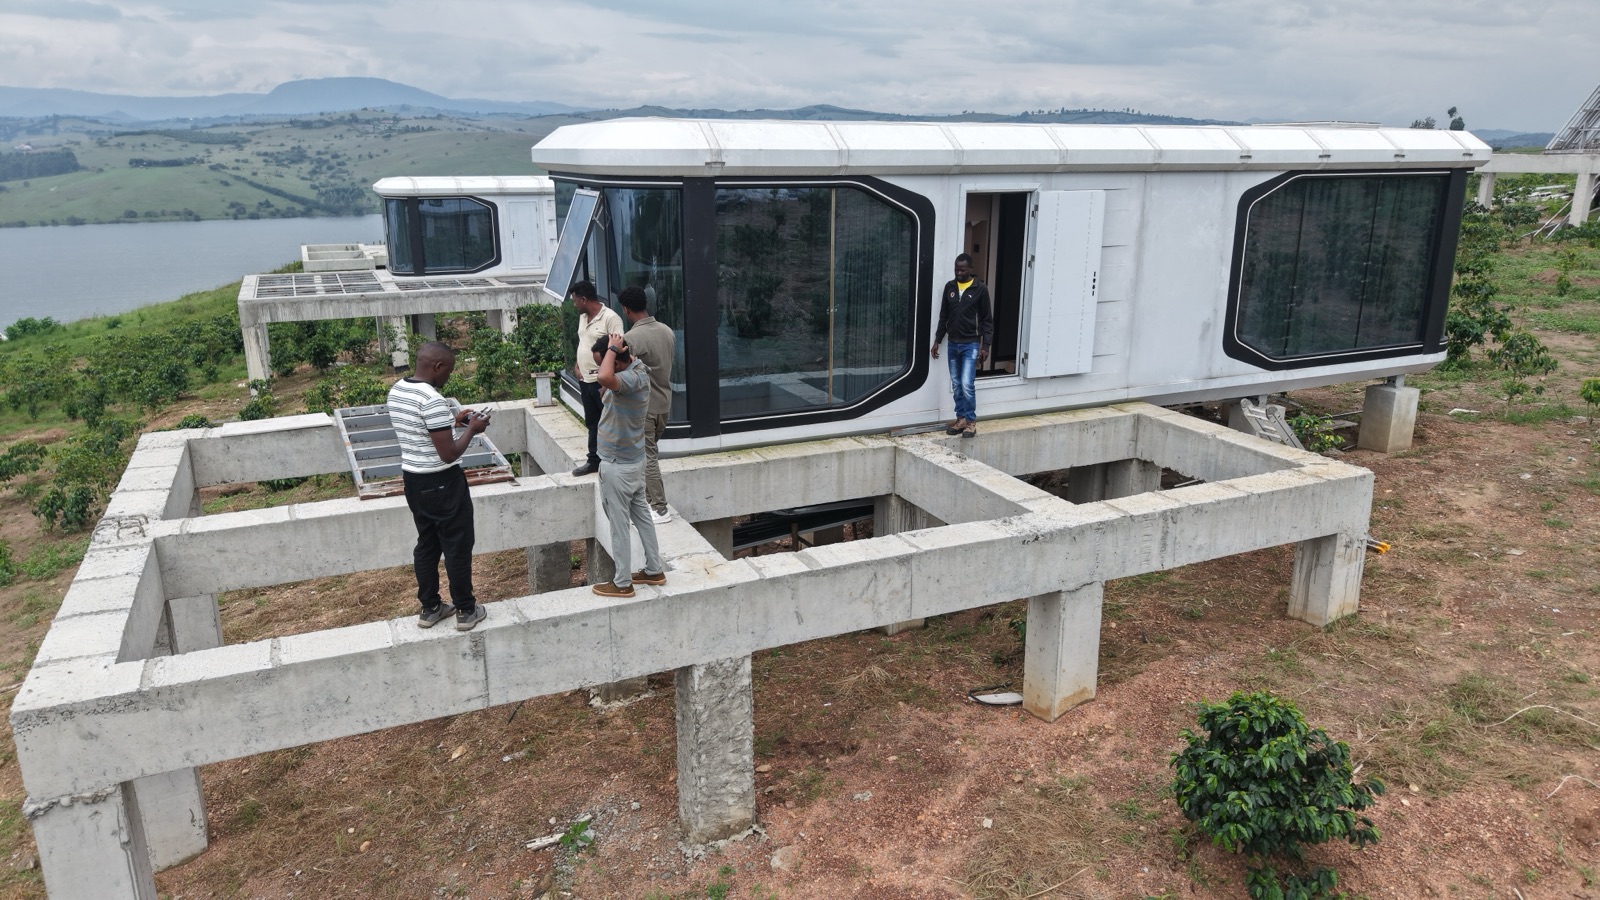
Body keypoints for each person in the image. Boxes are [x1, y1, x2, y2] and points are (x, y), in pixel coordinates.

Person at [386, 341, 489, 631]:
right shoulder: (432, 400)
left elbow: (422, 434)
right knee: (456, 546)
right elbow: (449, 454)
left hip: (414, 481)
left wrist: (453, 422)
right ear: (438, 367)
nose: (449, 378)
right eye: (449, 372)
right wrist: (472, 428)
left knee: (427, 544)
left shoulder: (398, 390)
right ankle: (467, 610)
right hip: (443, 483)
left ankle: (430, 607)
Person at [590, 333, 667, 598]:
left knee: (619, 525)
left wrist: (611, 349)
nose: (601, 370)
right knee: (642, 516)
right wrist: (612, 354)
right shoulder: (637, 371)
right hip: (633, 461)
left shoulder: (630, 379)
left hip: (617, 466)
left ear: (617, 363)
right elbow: (606, 381)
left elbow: (604, 377)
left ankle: (622, 582)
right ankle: (654, 569)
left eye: (606, 362)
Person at [619, 285, 675, 523]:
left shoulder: (631, 338)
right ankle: (650, 500)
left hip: (644, 407)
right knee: (649, 454)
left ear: (625, 309)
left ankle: (660, 508)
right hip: (664, 403)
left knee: (647, 457)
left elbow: (618, 369)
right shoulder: (666, 330)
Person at [929, 253, 993, 438]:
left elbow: (987, 320)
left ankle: (971, 422)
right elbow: (944, 316)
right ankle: (961, 419)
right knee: (956, 384)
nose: (959, 272)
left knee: (966, 384)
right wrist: (937, 341)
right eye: (956, 269)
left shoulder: (980, 289)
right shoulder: (949, 287)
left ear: (970, 269)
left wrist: (985, 346)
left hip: (971, 344)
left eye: (962, 269)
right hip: (952, 344)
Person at [569, 280, 623, 477]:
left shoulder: (611, 318)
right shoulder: (584, 317)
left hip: (603, 382)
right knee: (592, 422)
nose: (574, 305)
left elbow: (618, 350)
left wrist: (608, 383)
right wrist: (577, 364)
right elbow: (584, 342)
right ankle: (594, 460)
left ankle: (614, 462)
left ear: (584, 299)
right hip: (585, 381)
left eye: (575, 301)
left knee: (610, 423)